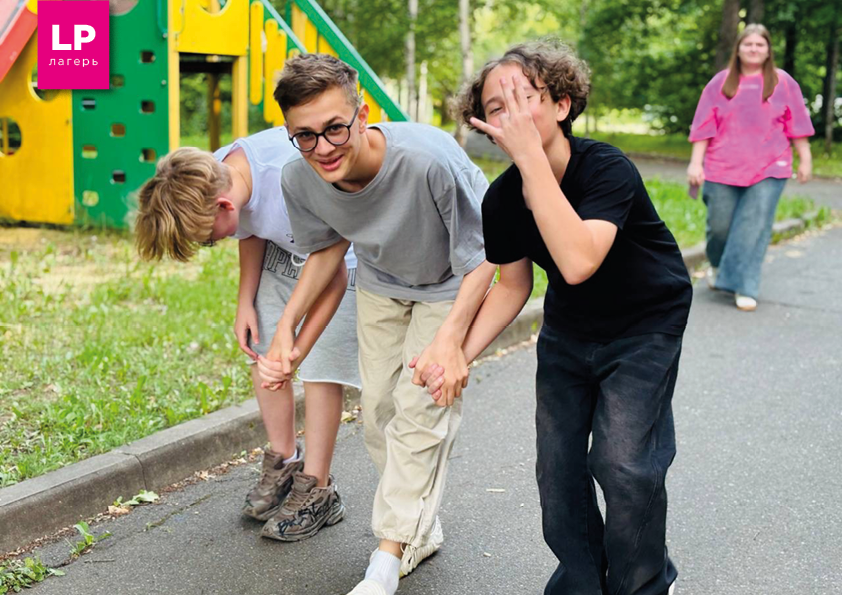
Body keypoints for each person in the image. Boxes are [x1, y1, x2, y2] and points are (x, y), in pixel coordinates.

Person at [438, 40, 692, 595]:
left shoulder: (606, 169)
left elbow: (577, 261)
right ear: (483, 123)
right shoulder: (502, 200)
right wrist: (457, 351)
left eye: (525, 97)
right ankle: (580, 582)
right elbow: (513, 286)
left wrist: (532, 162)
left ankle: (644, 582)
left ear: (562, 104)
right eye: (496, 106)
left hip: (646, 324)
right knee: (558, 473)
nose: (511, 115)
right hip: (570, 331)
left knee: (624, 463)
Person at [256, 53, 495, 595]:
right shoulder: (301, 178)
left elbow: (486, 257)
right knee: (379, 414)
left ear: (361, 113)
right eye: (305, 136)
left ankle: (386, 558)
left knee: (419, 412)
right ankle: (417, 525)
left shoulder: (428, 160)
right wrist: (285, 332)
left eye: (335, 128)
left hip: (452, 284)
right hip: (383, 284)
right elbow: (325, 251)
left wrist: (453, 339)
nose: (323, 148)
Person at [134, 128, 361, 542]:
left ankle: (318, 487)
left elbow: (333, 274)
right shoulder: (221, 170)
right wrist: (246, 301)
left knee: (320, 368)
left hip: (338, 256)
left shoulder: (286, 178)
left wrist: (295, 342)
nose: (211, 243)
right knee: (264, 355)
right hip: (282, 247)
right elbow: (250, 228)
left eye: (206, 239)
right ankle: (285, 463)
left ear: (222, 205)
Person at [687, 23, 814, 311]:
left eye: (760, 45)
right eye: (748, 44)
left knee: (753, 226)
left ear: (768, 50)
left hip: (771, 166)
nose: (754, 49)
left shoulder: (783, 83)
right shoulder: (721, 83)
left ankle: (744, 285)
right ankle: (719, 266)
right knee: (719, 228)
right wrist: (696, 163)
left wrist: (805, 159)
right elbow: (703, 126)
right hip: (722, 166)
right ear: (739, 49)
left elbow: (797, 125)